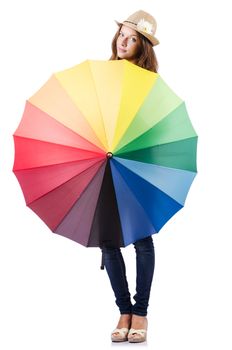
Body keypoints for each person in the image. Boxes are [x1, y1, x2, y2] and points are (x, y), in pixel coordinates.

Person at [101, 10, 160, 343]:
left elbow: (151, 128)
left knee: (140, 239)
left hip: (137, 164)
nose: (124, 40)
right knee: (108, 242)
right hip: (104, 162)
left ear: (143, 47)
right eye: (122, 34)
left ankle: (141, 313)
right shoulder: (103, 75)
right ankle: (123, 310)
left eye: (132, 37)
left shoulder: (148, 83)